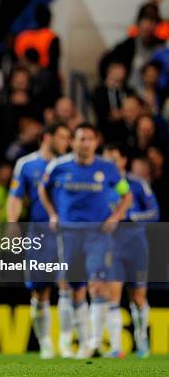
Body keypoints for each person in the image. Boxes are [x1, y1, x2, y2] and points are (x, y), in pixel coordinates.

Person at [38, 123, 132, 359]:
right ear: (73, 142)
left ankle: (93, 343)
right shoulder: (59, 166)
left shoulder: (108, 169)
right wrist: (52, 213)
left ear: (95, 142)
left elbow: (126, 193)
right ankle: (74, 342)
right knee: (72, 288)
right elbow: (42, 189)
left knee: (98, 285)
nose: (85, 143)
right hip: (68, 234)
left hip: (98, 234)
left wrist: (116, 216)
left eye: (89, 139)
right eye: (81, 139)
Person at [6, 122, 72, 359]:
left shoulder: (68, 165)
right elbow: (15, 196)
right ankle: (45, 344)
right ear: (48, 136)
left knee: (67, 287)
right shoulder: (26, 164)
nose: (67, 142)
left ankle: (65, 343)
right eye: (63, 137)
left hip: (67, 234)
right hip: (39, 235)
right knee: (39, 292)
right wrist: (12, 222)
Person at [102, 144, 159, 358]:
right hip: (111, 246)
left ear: (123, 160)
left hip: (136, 246)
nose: (110, 164)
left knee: (138, 296)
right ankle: (116, 347)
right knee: (112, 295)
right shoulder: (102, 185)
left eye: (114, 159)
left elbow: (154, 212)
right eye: (106, 160)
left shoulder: (137, 184)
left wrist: (130, 217)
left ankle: (142, 339)